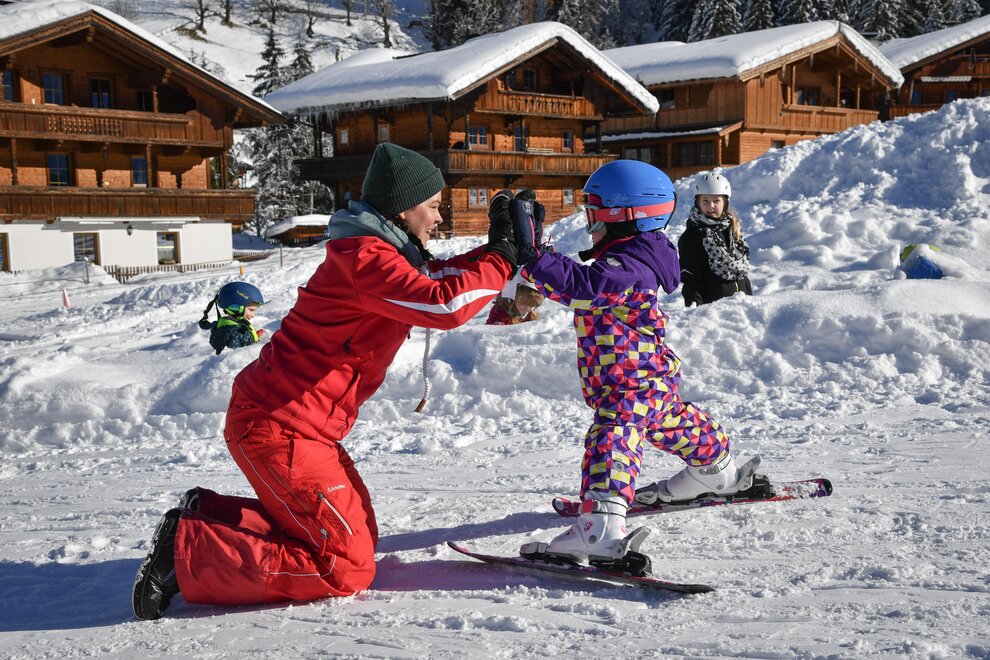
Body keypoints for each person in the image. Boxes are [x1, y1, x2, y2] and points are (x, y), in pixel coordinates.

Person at [133, 143, 522, 620]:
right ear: (403, 208)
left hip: (301, 426)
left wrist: (499, 247)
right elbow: (443, 303)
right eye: (434, 206)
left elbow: (437, 277)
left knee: (359, 537)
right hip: (278, 426)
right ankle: (187, 553)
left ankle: (210, 518)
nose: (440, 218)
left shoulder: (383, 253)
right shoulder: (365, 259)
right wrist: (502, 257)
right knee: (345, 566)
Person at [513, 160, 750, 571]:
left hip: (627, 387)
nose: (590, 227)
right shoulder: (633, 258)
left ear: (626, 217)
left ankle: (601, 529)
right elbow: (588, 279)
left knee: (612, 439)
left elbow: (585, 287)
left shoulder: (629, 268)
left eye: (594, 216)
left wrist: (534, 259)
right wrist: (540, 257)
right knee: (675, 421)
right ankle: (717, 469)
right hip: (649, 381)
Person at [677, 173, 753, 306]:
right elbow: (691, 280)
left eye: (716, 201)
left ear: (725, 203)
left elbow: (741, 274)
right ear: (698, 202)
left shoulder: (733, 230)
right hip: (715, 310)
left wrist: (749, 299)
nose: (710, 206)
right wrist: (696, 309)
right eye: (705, 201)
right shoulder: (692, 237)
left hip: (742, 306)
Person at [198, 281, 266, 354]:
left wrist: (254, 338)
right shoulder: (232, 334)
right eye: (251, 310)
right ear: (235, 307)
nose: (253, 315)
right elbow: (237, 356)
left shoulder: (236, 325)